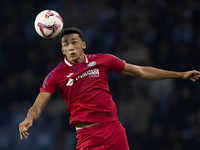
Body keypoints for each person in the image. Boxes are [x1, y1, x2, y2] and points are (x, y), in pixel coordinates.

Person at [19, 27, 200, 150]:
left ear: (83, 45)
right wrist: (29, 118)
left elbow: (142, 71)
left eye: (74, 42)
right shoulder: (56, 75)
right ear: (63, 51)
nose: (71, 47)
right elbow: (39, 104)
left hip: (113, 129)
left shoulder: (104, 60)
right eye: (66, 44)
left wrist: (180, 74)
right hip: (88, 135)